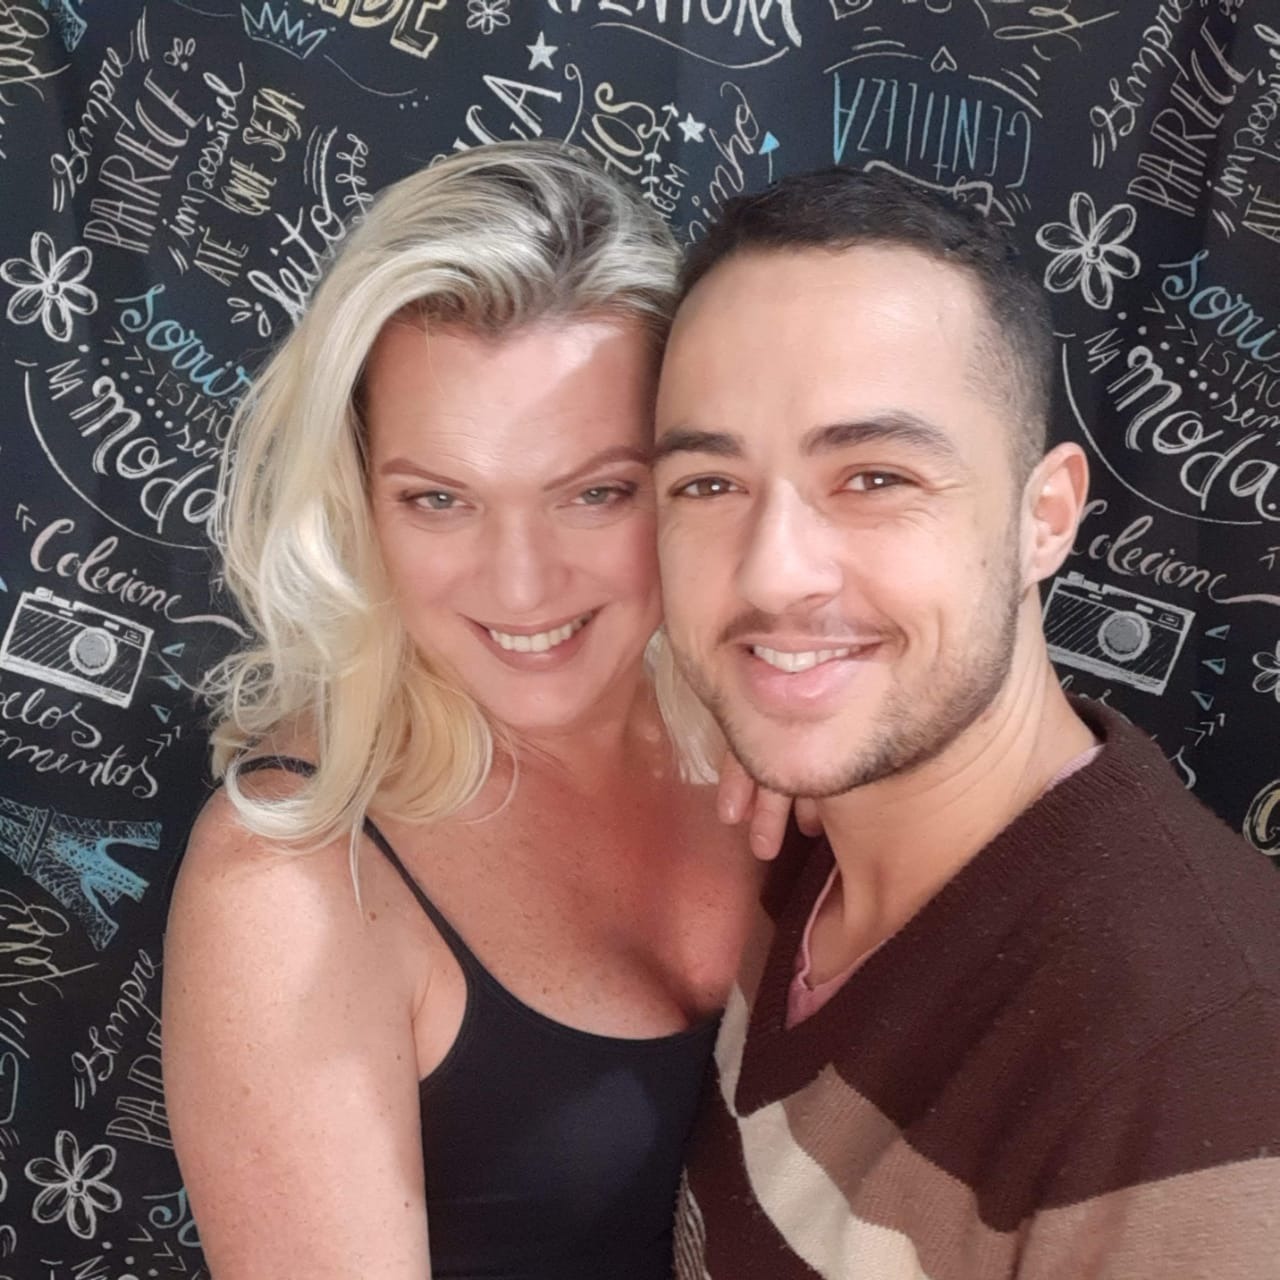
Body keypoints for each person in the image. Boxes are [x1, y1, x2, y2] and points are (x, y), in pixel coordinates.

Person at [653, 167, 1280, 1278]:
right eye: (708, 485)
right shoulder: (792, 837)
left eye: (874, 477)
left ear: (1044, 517)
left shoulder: (1203, 1073)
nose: (770, 572)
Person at [161, 141, 772, 1280]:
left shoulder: (784, 732)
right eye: (440, 499)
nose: (522, 584)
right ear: (359, 497)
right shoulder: (291, 883)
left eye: (595, 491)